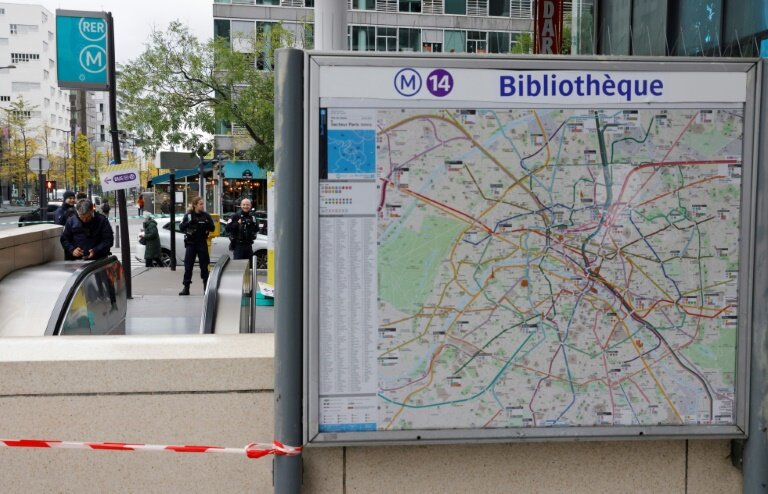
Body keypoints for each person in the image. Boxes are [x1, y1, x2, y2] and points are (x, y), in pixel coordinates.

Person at [178, 196, 215, 296]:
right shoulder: (189, 215)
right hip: (191, 244)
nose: (203, 206)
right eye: (201, 204)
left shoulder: (206, 216)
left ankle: (206, 288)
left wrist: (207, 223)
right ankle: (186, 287)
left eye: (203, 204)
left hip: (202, 243)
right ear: (195, 205)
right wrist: (188, 223)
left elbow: (212, 228)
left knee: (204, 266)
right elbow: (181, 227)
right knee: (188, 266)